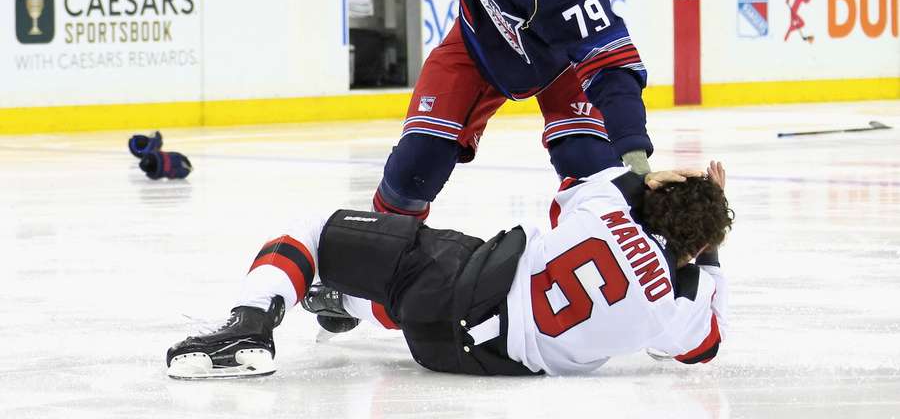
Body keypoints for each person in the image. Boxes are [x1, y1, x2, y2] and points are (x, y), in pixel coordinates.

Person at [165, 161, 732, 378]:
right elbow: (702, 347)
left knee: (314, 230)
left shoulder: (608, 209)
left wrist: (644, 182)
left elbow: (569, 198)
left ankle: (252, 323)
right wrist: (706, 259)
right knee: (450, 297)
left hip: (450, 285)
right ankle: (351, 303)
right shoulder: (672, 309)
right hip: (458, 357)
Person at [347, 0, 653, 233]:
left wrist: (633, 150)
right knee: (414, 169)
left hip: (561, 62)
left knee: (592, 173)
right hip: (477, 43)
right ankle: (373, 268)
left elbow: (611, 68)